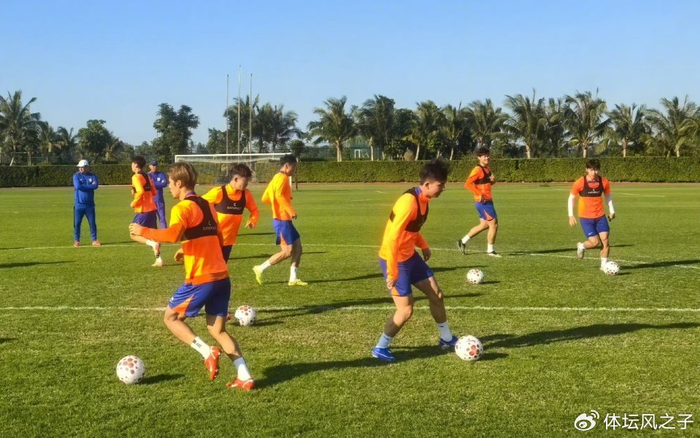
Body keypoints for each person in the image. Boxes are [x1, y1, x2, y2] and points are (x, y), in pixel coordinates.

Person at [129, 162, 254, 391]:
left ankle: (207, 352)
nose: (169, 187)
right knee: (217, 330)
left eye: (170, 183)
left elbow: (173, 234)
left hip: (201, 278)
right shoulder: (208, 205)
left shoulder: (182, 207)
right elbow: (217, 237)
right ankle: (244, 375)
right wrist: (186, 248)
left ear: (179, 183)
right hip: (222, 277)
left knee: (170, 318)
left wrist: (142, 231)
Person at [372, 160, 458, 362]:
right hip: (395, 259)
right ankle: (380, 347)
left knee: (436, 294)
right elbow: (392, 239)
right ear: (427, 184)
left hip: (410, 256)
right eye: (440, 185)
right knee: (406, 309)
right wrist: (392, 272)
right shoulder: (408, 203)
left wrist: (424, 245)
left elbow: (412, 229)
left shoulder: (424, 200)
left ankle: (446, 339)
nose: (443, 189)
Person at [252, 154, 307, 286]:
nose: (294, 170)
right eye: (294, 167)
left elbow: (265, 198)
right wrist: (289, 210)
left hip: (283, 219)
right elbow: (279, 195)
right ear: (287, 166)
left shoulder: (276, 177)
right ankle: (260, 268)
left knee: (298, 248)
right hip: (282, 220)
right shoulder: (282, 178)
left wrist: (278, 205)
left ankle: (293, 279)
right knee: (287, 252)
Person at [568, 159, 616, 270]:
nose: (594, 172)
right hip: (585, 217)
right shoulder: (580, 182)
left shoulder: (604, 182)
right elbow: (571, 198)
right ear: (587, 170)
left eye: (596, 170)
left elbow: (608, 196)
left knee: (605, 241)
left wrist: (612, 210)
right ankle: (581, 246)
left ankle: (603, 266)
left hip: (600, 216)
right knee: (594, 243)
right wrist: (571, 215)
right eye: (591, 170)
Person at [457, 147, 501, 257]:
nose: (487, 158)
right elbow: (467, 184)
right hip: (483, 202)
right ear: (479, 158)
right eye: (485, 156)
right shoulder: (477, 170)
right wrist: (478, 193)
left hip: (487, 201)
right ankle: (490, 251)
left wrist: (493, 181)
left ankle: (462, 241)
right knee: (494, 225)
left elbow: (486, 184)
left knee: (484, 225)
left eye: (488, 155)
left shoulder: (487, 169)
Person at [129, 156, 164, 267]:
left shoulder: (136, 177)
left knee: (133, 234)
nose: (131, 166)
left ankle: (152, 244)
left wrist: (134, 202)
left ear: (135, 165)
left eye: (132, 164)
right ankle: (159, 260)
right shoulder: (147, 176)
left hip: (143, 210)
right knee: (152, 235)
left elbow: (140, 191)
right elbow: (154, 192)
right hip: (152, 209)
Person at [73, 159, 100, 247]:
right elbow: (78, 186)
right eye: (79, 167)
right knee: (77, 223)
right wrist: (89, 186)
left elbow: (95, 186)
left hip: (89, 205)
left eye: (82, 167)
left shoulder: (92, 176)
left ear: (87, 167)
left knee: (92, 223)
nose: (80, 169)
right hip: (79, 204)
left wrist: (84, 186)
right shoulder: (76, 176)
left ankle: (94, 240)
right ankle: (77, 240)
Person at [148, 159, 169, 228]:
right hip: (151, 201)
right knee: (152, 219)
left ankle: (165, 232)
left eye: (156, 165)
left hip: (159, 200)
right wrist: (158, 183)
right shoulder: (148, 175)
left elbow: (164, 183)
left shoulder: (161, 174)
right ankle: (154, 232)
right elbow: (148, 185)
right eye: (153, 165)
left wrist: (153, 184)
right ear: (149, 166)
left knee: (162, 218)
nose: (155, 167)